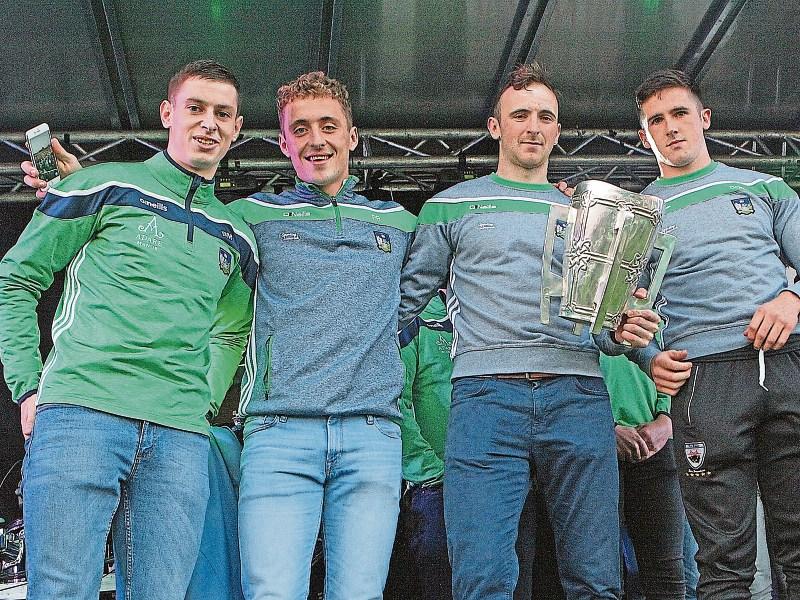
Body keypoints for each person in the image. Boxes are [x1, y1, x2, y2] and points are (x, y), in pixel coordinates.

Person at [398, 62, 660, 600]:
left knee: (596, 576)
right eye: (520, 115)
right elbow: (404, 307)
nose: (533, 127)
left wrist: (631, 336)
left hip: (578, 396)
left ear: (558, 131)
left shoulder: (587, 212)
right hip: (483, 399)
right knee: (484, 576)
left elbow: (607, 324)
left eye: (546, 117)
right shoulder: (449, 206)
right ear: (495, 127)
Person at [0, 60, 257, 600]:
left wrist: (198, 403)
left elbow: (231, 331)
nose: (208, 123)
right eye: (196, 108)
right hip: (81, 415)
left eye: (223, 113)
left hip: (180, 437)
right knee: (62, 591)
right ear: (168, 113)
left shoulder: (237, 235)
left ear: (237, 128)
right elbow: (16, 278)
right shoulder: (104, 185)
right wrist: (27, 384)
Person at [229, 71, 416, 600]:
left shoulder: (401, 223)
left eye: (328, 126)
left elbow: (461, 274)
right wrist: (79, 181)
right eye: (301, 128)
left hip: (371, 435)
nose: (317, 140)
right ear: (283, 142)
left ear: (352, 136)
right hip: (278, 433)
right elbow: (179, 231)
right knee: (272, 593)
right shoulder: (251, 216)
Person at [631, 68, 800, 599]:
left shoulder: (765, 188)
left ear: (704, 118)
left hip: (786, 366)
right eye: (657, 120)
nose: (671, 127)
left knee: (797, 551)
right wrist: (647, 357)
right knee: (723, 565)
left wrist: (792, 298)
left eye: (680, 113)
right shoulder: (637, 214)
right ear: (645, 136)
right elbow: (607, 320)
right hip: (702, 383)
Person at [601, 352, 685, 599]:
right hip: (592, 443)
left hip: (655, 443)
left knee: (668, 573)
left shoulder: (656, 311)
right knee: (603, 573)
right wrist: (607, 427)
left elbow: (670, 354)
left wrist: (666, 418)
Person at [398, 291, 453, 600]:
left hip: (497, 484)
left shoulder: (487, 311)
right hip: (434, 488)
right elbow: (396, 400)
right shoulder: (415, 315)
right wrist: (430, 472)